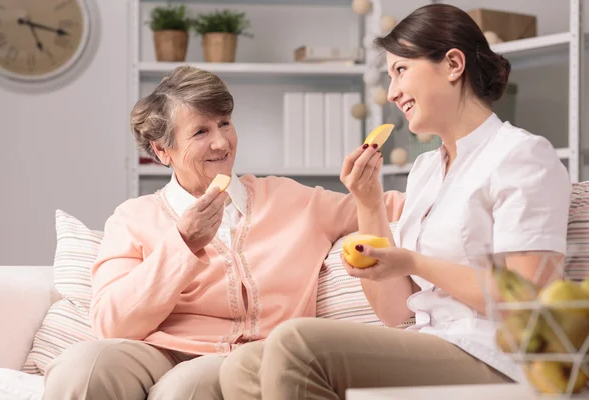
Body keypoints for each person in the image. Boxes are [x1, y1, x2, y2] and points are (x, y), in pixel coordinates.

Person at [218, 4, 572, 399]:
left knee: (295, 343)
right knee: (244, 366)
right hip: (432, 341)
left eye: (401, 70)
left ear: (453, 64)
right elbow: (394, 311)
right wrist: (368, 203)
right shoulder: (425, 170)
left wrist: (417, 263)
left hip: (496, 354)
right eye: (389, 76)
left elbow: (526, 303)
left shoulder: (522, 155)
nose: (391, 93)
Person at [41, 66, 406, 399]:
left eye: (225, 123)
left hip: (253, 356)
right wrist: (183, 244)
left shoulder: (291, 199)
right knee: (83, 368)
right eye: (201, 131)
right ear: (161, 149)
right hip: (158, 350)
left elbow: (391, 205)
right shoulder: (133, 218)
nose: (221, 142)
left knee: (187, 387)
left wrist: (452, 176)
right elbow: (112, 322)